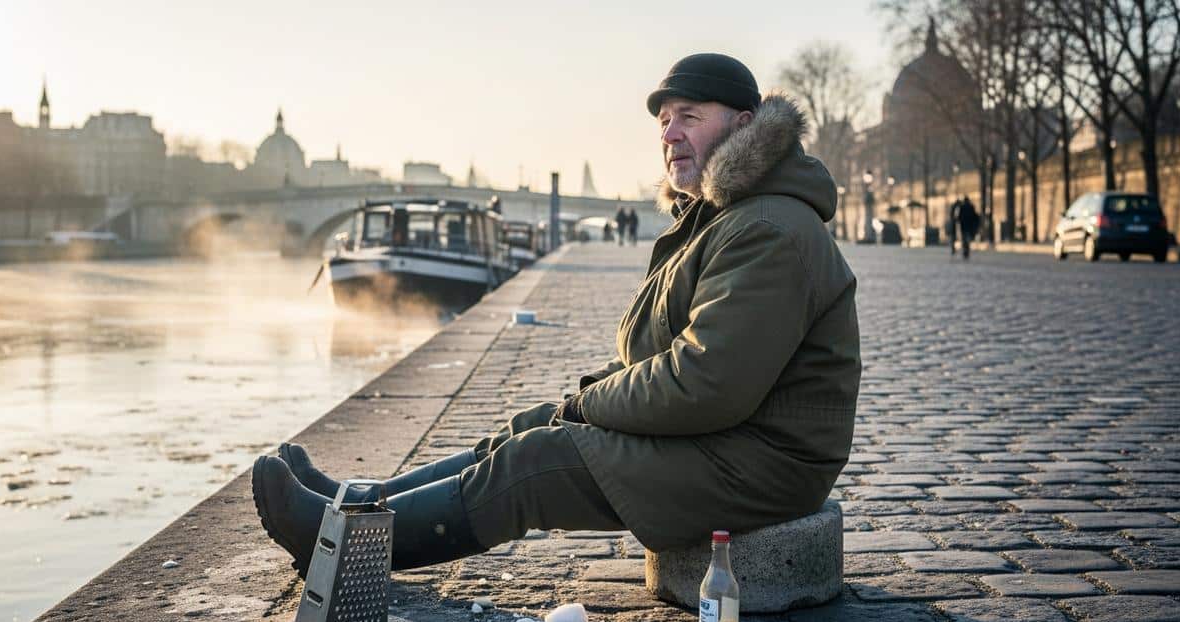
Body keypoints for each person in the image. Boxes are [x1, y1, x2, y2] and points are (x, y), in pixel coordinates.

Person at [251, 52, 861, 578]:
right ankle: (359, 503)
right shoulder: (723, 219)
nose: (670, 134)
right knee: (532, 426)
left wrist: (590, 404)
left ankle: (345, 547)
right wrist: (580, 402)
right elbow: (666, 358)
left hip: (763, 462)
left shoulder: (767, 229)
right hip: (725, 439)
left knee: (538, 464)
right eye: (664, 121)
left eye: (690, 117)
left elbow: (707, 385)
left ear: (744, 125)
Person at [958, 195, 979, 260]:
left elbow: (959, 216)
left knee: (964, 239)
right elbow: (974, 216)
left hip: (963, 226)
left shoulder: (962, 207)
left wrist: (959, 221)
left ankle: (965, 251)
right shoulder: (971, 206)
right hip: (969, 226)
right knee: (968, 239)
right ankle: (967, 250)